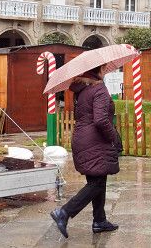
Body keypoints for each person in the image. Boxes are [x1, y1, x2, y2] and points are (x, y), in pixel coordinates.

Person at [50, 64, 122, 238]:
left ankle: (99, 221)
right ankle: (65, 212)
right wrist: (115, 137)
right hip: (95, 140)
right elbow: (101, 120)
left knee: (98, 179)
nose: (106, 72)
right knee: (96, 183)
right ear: (96, 71)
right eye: (104, 69)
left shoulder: (82, 90)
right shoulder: (99, 90)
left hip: (82, 138)